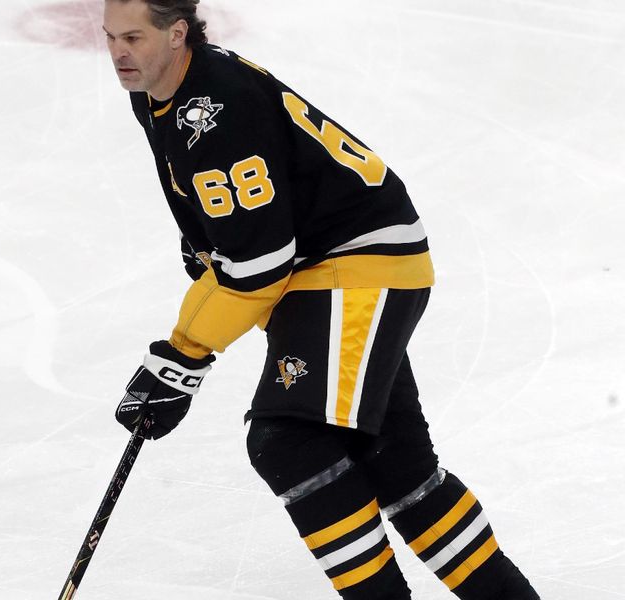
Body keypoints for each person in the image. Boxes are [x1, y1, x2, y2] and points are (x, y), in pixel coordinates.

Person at [103, 1, 540, 598]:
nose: (118, 52)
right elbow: (235, 241)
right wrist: (205, 259)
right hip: (329, 265)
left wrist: (184, 357)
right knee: (397, 465)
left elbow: (258, 268)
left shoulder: (217, 109)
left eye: (133, 36)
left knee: (288, 440)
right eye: (109, 37)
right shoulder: (161, 92)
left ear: (177, 33)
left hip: (356, 262)